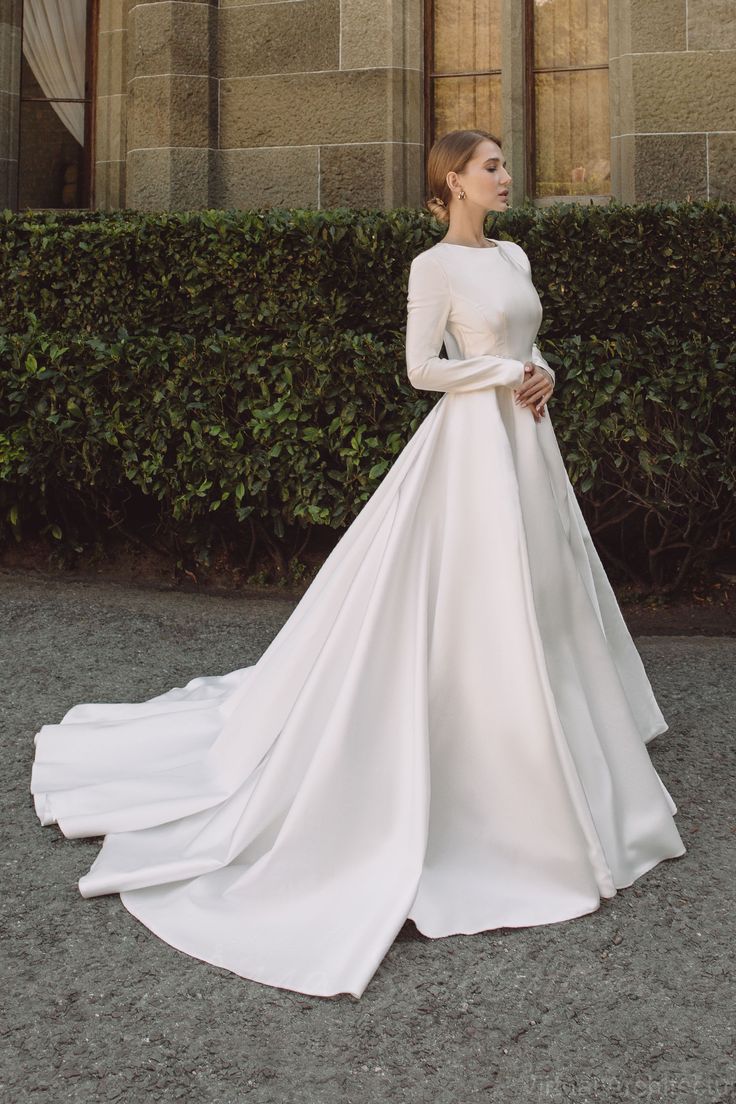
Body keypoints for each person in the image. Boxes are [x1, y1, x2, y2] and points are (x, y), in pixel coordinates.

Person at [30, 128, 686, 1001]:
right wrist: (499, 371)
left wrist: (544, 373)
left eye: (501, 165)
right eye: (490, 166)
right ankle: (489, 763)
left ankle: (560, 753)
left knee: (544, 596)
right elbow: (422, 369)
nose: (505, 175)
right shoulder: (433, 266)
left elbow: (530, 345)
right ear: (452, 180)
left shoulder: (517, 251)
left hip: (526, 442)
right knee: (475, 602)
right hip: (471, 449)